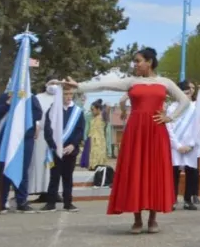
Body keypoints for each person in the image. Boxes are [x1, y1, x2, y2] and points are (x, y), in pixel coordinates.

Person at [55, 47, 189, 234]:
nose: (135, 64)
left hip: (156, 131)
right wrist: (79, 86)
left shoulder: (165, 82)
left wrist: (170, 117)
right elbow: (104, 85)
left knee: (154, 171)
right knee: (135, 170)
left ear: (149, 62)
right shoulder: (131, 82)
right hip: (135, 130)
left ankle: (152, 218)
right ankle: (136, 219)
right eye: (134, 61)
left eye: (138, 61)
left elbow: (185, 100)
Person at [0, 86, 43, 214]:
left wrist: (21, 114)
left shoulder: (30, 97)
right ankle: (1, 202)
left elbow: (38, 113)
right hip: (6, 139)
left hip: (24, 139)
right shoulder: (4, 97)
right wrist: (8, 104)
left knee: (23, 170)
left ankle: (22, 202)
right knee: (4, 170)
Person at [42, 87, 85, 212]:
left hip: (70, 150)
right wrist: (54, 146)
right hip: (55, 149)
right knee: (54, 176)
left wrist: (73, 145)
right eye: (66, 93)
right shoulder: (53, 110)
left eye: (71, 93)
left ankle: (68, 203)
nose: (69, 96)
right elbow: (48, 130)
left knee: (68, 177)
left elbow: (80, 131)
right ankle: (51, 203)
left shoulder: (78, 111)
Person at [167, 80, 200, 211]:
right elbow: (168, 128)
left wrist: (190, 145)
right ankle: (172, 199)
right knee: (173, 173)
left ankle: (188, 199)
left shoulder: (196, 108)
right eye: (186, 91)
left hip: (191, 146)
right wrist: (177, 145)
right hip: (175, 147)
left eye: (190, 91)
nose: (189, 93)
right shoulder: (172, 108)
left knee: (192, 172)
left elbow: (199, 127)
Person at [84, 100, 109, 169]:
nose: (91, 111)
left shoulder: (102, 117)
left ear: (98, 109)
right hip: (93, 139)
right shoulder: (94, 117)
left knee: (98, 156)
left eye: (93, 109)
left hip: (98, 140)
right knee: (93, 155)